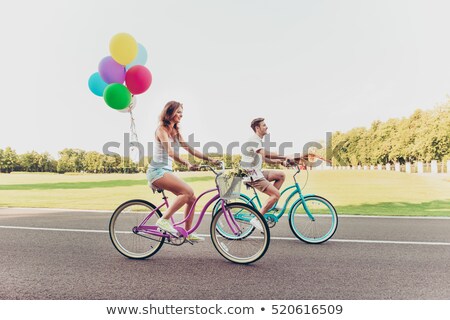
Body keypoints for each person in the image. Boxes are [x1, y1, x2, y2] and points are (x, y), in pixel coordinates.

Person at [147, 101, 219, 241]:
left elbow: (190, 149)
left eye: (182, 112)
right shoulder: (161, 130)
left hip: (165, 170)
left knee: (192, 198)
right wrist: (186, 163)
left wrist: (210, 160)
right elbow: (170, 152)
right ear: (170, 112)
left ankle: (187, 232)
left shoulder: (176, 132)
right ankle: (163, 220)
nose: (181, 115)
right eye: (178, 112)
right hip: (156, 171)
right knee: (187, 192)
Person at [241, 118, 293, 218]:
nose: (266, 127)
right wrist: (284, 156)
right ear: (257, 128)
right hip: (251, 174)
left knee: (280, 175)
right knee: (276, 195)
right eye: (264, 125)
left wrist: (281, 162)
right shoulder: (254, 140)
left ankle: (271, 203)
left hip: (256, 172)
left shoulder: (258, 141)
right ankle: (258, 219)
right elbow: (265, 153)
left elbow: (265, 159)